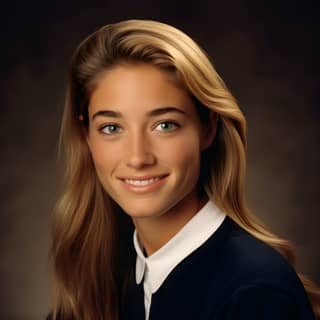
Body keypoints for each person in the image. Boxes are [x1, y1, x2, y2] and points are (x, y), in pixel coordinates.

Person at [47, 19, 320, 320]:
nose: (138, 157)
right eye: (112, 127)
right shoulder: (107, 274)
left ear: (207, 128)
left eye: (165, 125)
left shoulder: (257, 293)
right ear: (86, 135)